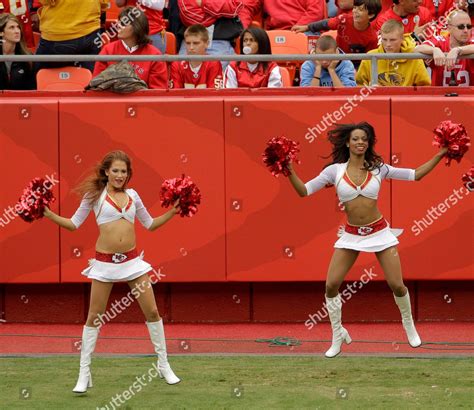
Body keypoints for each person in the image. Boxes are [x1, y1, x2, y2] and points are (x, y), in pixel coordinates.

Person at [287, 122, 448, 357]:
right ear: (347, 143)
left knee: (397, 284)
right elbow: (304, 191)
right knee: (331, 285)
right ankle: (337, 334)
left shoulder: (378, 168)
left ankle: (408, 325)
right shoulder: (335, 171)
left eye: (364, 139)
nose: (360, 142)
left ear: (368, 143)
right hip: (352, 235)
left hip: (380, 233)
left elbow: (415, 175)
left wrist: (441, 153)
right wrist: (288, 169)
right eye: (356, 139)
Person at [43, 150, 182, 392]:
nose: (120, 175)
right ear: (106, 172)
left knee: (152, 310)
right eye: (115, 171)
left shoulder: (133, 195)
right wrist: (48, 214)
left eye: (124, 171)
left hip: (132, 263)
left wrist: (172, 212)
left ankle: (163, 365)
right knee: (94, 316)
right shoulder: (93, 196)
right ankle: (84, 373)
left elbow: (149, 224)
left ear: (128, 174)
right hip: (105, 264)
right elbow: (73, 224)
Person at [93, 7, 168, 89]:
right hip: (113, 100)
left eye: (123, 24)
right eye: (118, 22)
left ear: (137, 27)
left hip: (142, 101)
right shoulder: (107, 50)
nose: (117, 25)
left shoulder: (155, 55)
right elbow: (96, 86)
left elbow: (157, 93)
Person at [292, 0, 381, 63]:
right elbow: (326, 24)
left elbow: (369, 60)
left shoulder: (372, 38)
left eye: (360, 10)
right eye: (354, 8)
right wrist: (307, 27)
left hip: (356, 65)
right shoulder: (344, 19)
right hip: (336, 58)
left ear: (371, 15)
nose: (355, 11)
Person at [34, 0, 109, 72]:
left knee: (37, 79)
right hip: (91, 34)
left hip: (58, 36)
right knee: (88, 80)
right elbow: (104, 4)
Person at [356, 19, 431, 86]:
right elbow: (359, 85)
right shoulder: (370, 57)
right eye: (384, 39)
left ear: (402, 38)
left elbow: (424, 88)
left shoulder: (414, 58)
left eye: (392, 40)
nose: (388, 44)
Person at [415, 10, 474, 86]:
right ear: (449, 28)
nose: (466, 30)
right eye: (461, 27)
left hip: (469, 96)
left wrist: (457, 50)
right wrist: (434, 50)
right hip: (440, 96)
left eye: (469, 27)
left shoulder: (471, 41)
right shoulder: (440, 41)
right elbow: (417, 48)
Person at [169, 23, 223, 89]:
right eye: (188, 43)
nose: (191, 47)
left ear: (207, 44)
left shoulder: (214, 63)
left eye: (196, 43)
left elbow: (214, 94)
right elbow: (175, 95)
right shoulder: (177, 64)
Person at [0, 13, 36, 90]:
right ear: (1, 32)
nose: (17, 31)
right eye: (11, 28)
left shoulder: (28, 58)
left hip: (20, 100)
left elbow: (32, 89)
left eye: (18, 27)